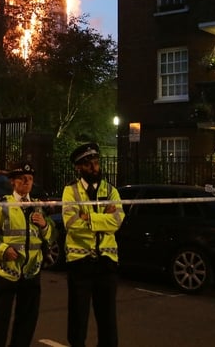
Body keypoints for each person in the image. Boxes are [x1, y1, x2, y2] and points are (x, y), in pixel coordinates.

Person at [0, 161, 56, 347]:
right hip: (7, 272)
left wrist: (45, 225)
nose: (26, 182)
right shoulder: (2, 205)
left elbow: (52, 236)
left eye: (30, 179)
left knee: (27, 322)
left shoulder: (39, 206)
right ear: (13, 182)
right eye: (22, 179)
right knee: (0, 321)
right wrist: (4, 249)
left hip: (32, 273)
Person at [62, 142, 124, 347]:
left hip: (106, 263)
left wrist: (88, 218)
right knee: (78, 319)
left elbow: (117, 221)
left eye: (96, 163)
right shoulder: (70, 191)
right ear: (79, 167)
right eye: (89, 165)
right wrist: (101, 218)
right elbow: (70, 224)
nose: (95, 168)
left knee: (108, 321)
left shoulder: (111, 190)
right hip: (80, 262)